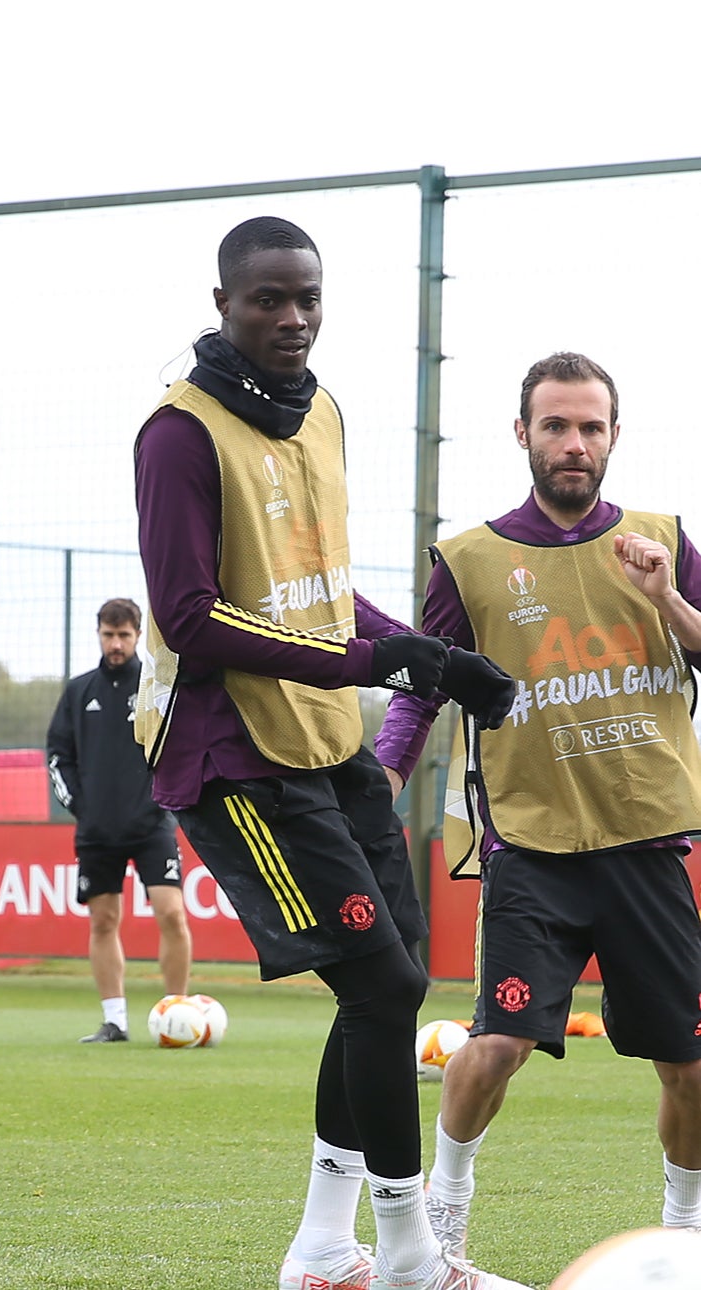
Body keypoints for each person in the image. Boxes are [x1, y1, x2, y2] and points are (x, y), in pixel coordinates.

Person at [133, 216, 524, 1290]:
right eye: (268, 298)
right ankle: (406, 1260)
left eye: (306, 297)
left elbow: (315, 585)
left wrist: (425, 659)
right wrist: (370, 663)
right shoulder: (179, 435)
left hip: (322, 739)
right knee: (387, 983)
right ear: (224, 304)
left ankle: (322, 1249)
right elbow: (193, 615)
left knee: (387, 984)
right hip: (231, 754)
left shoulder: (325, 414)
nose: (292, 317)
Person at [375, 353, 701, 1257]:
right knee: (497, 1044)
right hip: (533, 849)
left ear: (614, 436)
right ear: (523, 433)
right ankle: (444, 1216)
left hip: (648, 844)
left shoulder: (660, 538)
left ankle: (684, 1236)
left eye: (590, 427)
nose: (574, 443)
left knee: (691, 1064)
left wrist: (665, 592)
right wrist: (383, 782)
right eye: (555, 425)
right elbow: (420, 688)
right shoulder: (470, 559)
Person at [47, 596, 191, 1042]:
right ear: (99, 634)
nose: (116, 644)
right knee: (103, 921)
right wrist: (82, 808)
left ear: (137, 636)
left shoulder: (155, 687)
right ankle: (116, 1021)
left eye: (124, 635)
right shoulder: (78, 692)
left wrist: (167, 799)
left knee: (171, 913)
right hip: (96, 830)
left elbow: (180, 747)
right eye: (109, 635)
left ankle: (177, 1014)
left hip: (151, 825)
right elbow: (57, 757)